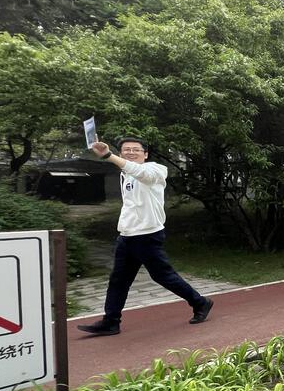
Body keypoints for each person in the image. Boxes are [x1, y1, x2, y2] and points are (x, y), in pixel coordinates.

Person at [77, 138, 213, 336]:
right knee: (118, 280)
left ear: (145, 154)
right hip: (127, 236)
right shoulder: (125, 174)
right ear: (121, 153)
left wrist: (108, 155)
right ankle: (111, 322)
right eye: (126, 150)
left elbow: (141, 173)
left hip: (147, 236)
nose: (131, 153)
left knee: (163, 276)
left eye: (136, 150)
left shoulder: (156, 170)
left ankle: (200, 302)